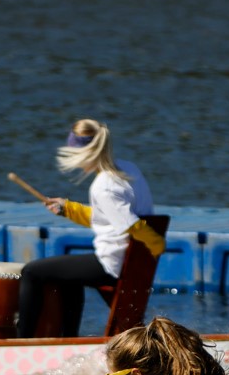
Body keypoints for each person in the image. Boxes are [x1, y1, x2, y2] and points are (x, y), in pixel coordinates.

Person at [17, 119, 163, 338]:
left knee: (31, 272)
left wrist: (157, 245)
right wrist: (69, 209)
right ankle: (68, 339)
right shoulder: (128, 169)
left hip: (113, 263)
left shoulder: (103, 185)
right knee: (66, 275)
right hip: (128, 260)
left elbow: (130, 224)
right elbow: (110, 218)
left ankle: (21, 341)